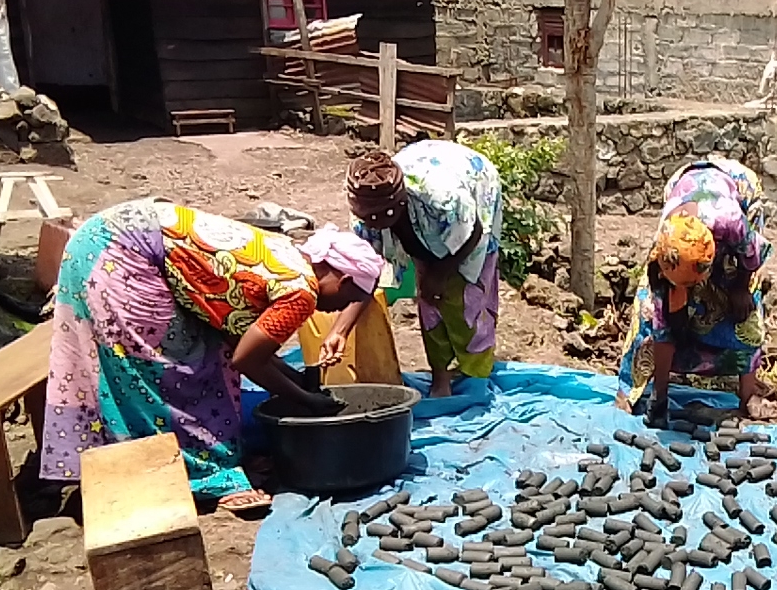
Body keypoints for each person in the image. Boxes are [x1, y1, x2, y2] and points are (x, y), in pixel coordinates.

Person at [40, 200, 381, 513]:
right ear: (343, 277)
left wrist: (298, 383)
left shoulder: (289, 256)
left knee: (211, 352)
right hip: (120, 254)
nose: (340, 309)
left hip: (110, 236)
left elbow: (241, 342)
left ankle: (213, 459)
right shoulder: (301, 292)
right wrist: (305, 399)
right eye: (350, 297)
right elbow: (247, 360)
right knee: (164, 369)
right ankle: (192, 475)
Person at [616, 156, 776, 427]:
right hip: (684, 185)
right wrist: (660, 395)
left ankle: (748, 392)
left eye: (693, 283)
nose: (689, 291)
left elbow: (752, 255)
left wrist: (739, 287)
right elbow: (662, 328)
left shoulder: (731, 222)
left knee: (745, 308)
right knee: (649, 310)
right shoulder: (666, 247)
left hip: (738, 187)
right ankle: (630, 389)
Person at [343, 141, 503, 398]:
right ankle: (440, 378)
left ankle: (475, 380)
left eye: (379, 217)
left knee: (468, 301)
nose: (372, 224)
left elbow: (473, 233)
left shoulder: (443, 199)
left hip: (474, 190)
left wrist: (440, 274)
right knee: (429, 303)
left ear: (398, 203)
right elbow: (367, 272)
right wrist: (341, 330)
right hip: (429, 212)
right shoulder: (365, 208)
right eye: (367, 218)